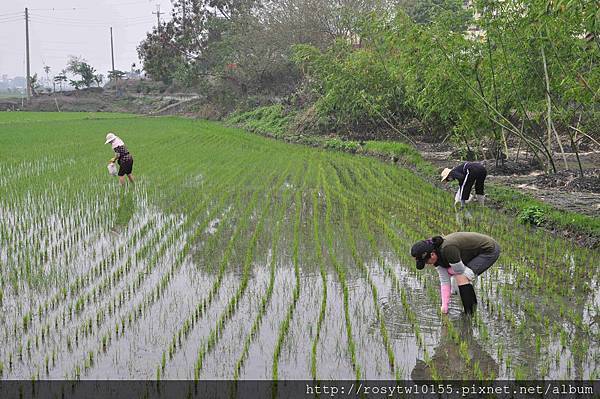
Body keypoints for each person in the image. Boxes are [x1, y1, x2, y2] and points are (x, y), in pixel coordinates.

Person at [410, 232, 500, 314]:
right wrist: (444, 306)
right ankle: (471, 310)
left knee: (461, 277)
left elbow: (459, 270)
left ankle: (470, 314)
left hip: (488, 250)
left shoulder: (448, 249)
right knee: (457, 280)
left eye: (426, 262)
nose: (427, 264)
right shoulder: (436, 257)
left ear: (432, 254)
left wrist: (449, 272)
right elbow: (444, 281)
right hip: (470, 254)